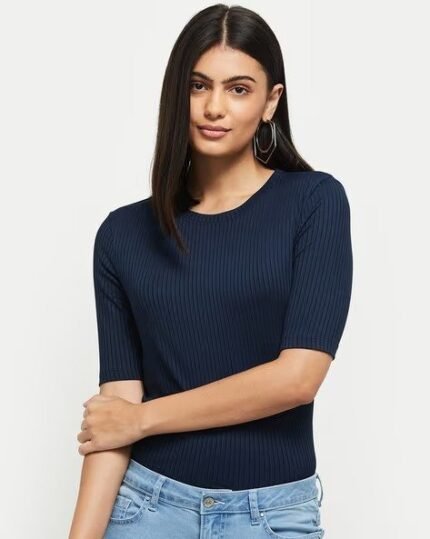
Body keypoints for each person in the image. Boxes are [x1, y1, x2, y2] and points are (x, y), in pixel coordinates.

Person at [69, 4, 353, 538]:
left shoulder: (314, 203)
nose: (214, 107)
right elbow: (115, 413)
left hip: (271, 517)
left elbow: (298, 378)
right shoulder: (123, 234)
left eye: (238, 89)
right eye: (198, 86)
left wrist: (144, 419)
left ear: (271, 102)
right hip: (146, 509)